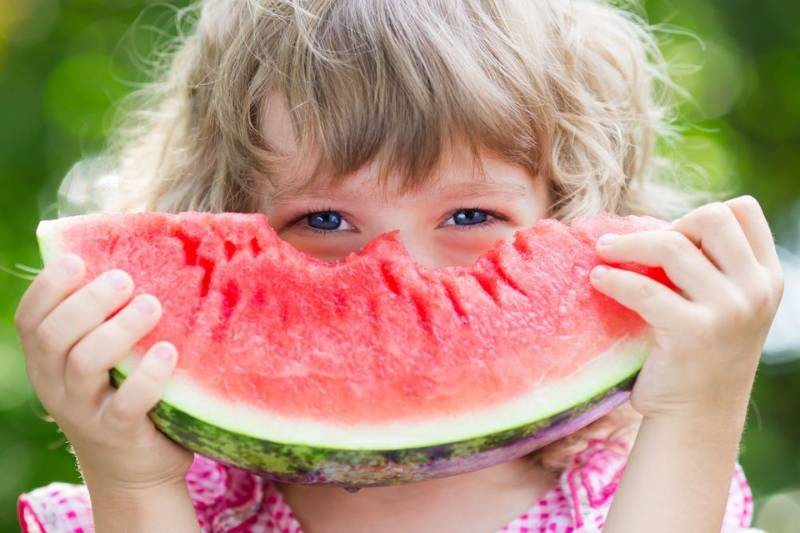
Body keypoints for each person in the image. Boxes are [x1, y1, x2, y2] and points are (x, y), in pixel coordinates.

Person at [15, 0, 784, 531]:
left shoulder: (632, 493)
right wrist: (134, 481)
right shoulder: (199, 503)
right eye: (323, 219)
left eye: (470, 216)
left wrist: (698, 411)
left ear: (570, 214)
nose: (402, 270)